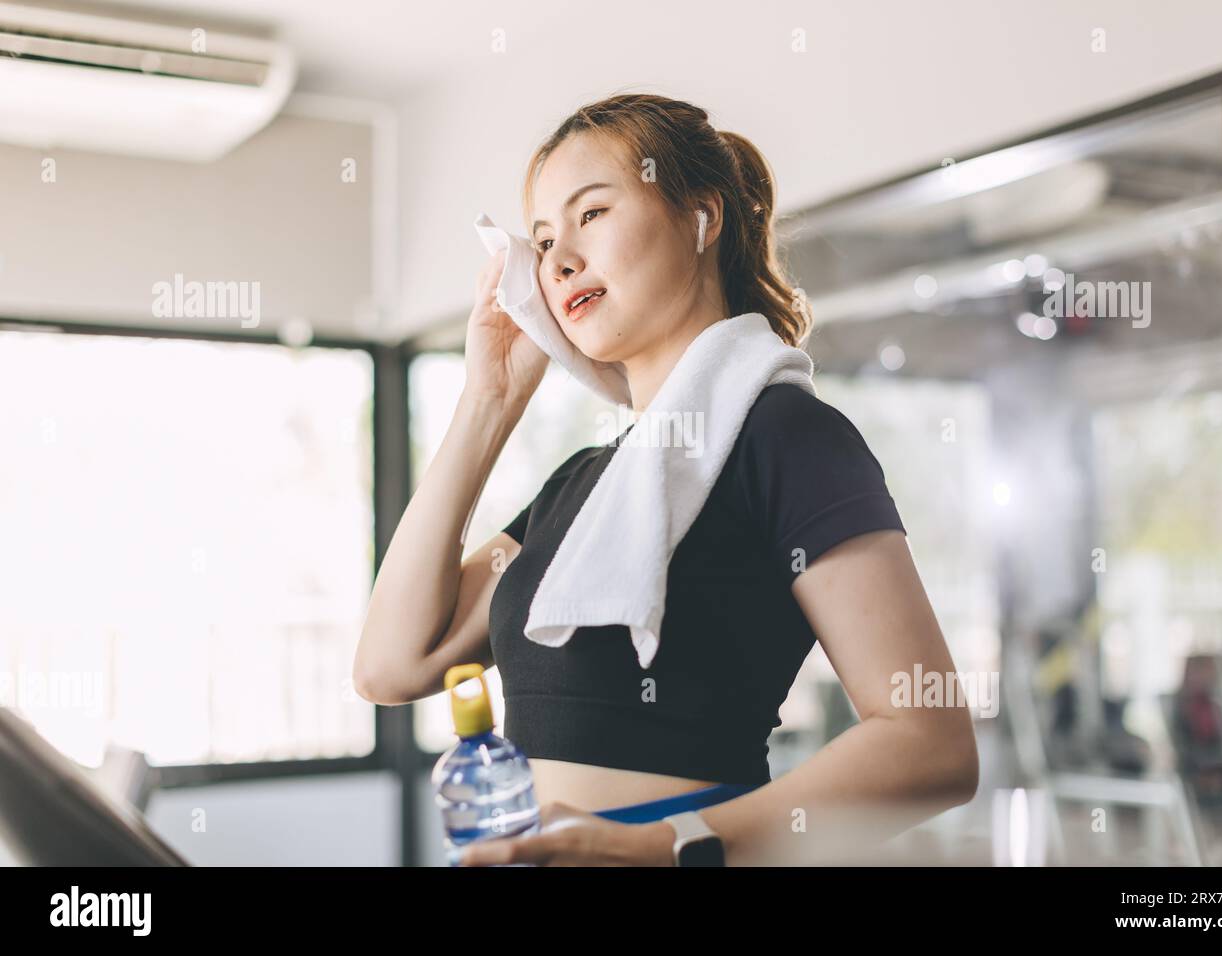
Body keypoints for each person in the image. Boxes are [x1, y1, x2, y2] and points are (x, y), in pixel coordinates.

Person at [353, 93, 978, 866]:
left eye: (591, 214)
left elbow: (933, 743)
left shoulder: (787, 437)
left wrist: (670, 847)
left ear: (701, 218)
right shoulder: (579, 488)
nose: (558, 259)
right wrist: (488, 402)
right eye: (543, 240)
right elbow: (389, 665)